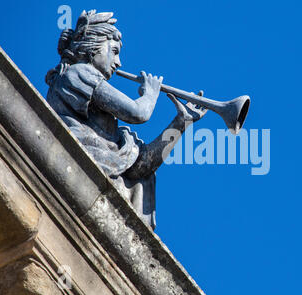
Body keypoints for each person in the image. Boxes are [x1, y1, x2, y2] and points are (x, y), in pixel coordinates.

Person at [45, 10, 207, 229]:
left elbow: (140, 167)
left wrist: (181, 123)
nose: (118, 62)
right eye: (114, 51)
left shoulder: (108, 139)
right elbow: (138, 113)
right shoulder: (78, 73)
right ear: (93, 46)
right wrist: (150, 94)